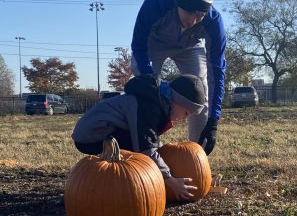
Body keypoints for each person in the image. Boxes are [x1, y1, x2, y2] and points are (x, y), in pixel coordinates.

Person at [131, 0, 226, 155]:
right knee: (145, 89)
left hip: (190, 46)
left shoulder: (214, 22)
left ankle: (197, 156)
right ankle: (145, 149)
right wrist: (152, 84)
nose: (192, 21)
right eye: (189, 12)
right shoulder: (156, 3)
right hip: (154, 43)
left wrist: (213, 119)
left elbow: (217, 71)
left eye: (199, 15)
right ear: (178, 3)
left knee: (201, 91)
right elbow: (138, 48)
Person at [72, 74, 206, 200]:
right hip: (92, 135)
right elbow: (146, 147)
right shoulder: (147, 106)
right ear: (176, 101)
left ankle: (119, 182)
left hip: (100, 131)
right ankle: (117, 187)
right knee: (138, 150)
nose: (184, 118)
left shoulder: (155, 100)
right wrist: (171, 180)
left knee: (142, 147)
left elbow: (150, 139)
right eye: (186, 113)